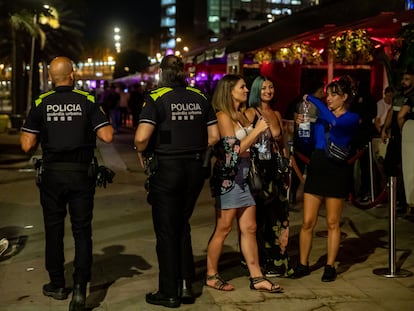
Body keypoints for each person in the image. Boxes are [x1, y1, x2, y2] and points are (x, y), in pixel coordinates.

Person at [20, 56, 114, 311]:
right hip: (81, 174)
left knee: (54, 230)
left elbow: (27, 145)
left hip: (52, 175)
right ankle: (81, 289)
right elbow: (107, 135)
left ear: (50, 78)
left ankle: (58, 284)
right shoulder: (88, 101)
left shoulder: (41, 103)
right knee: (82, 230)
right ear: (72, 75)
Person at [134, 55, 220, 308]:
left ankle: (168, 291)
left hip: (167, 168)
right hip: (195, 168)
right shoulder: (200, 95)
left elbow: (141, 138)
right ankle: (185, 284)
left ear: (161, 72)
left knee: (167, 230)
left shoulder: (156, 97)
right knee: (182, 224)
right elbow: (214, 136)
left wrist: (141, 151)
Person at [206, 74, 283, 293]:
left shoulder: (241, 115)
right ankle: (211, 274)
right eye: (242, 87)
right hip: (229, 177)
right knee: (224, 227)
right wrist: (257, 131)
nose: (247, 90)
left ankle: (257, 277)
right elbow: (232, 152)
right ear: (229, 91)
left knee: (249, 227)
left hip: (247, 175)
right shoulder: (222, 116)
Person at [290, 75, 360, 282]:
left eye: (333, 95)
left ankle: (329, 266)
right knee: (307, 221)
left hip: (336, 169)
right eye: (327, 94)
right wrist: (301, 125)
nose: (328, 98)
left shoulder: (351, 117)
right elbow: (307, 142)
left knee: (332, 222)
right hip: (318, 165)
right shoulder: (320, 119)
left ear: (344, 97)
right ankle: (303, 264)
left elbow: (335, 123)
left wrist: (313, 100)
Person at [244, 75, 291, 277]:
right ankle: (260, 259)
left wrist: (287, 167)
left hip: (275, 171)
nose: (268, 91)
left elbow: (282, 144)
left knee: (277, 216)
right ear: (256, 91)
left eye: (271, 87)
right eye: (263, 88)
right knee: (259, 218)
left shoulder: (276, 113)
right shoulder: (250, 113)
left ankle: (276, 258)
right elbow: (243, 139)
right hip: (258, 172)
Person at [381, 68, 414, 213]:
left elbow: (401, 116)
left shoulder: (412, 97)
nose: (403, 82)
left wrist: (403, 131)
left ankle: (403, 201)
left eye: (407, 79)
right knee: (390, 166)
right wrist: (385, 129)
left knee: (405, 170)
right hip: (395, 138)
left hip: (407, 140)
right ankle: (395, 198)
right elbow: (391, 113)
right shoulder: (398, 96)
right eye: (403, 79)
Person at [291, 80, 325, 204]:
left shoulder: (300, 102)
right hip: (309, 139)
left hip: (302, 139)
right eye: (322, 91)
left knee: (300, 169)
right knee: (311, 169)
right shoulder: (315, 104)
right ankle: (310, 196)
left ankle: (294, 195)